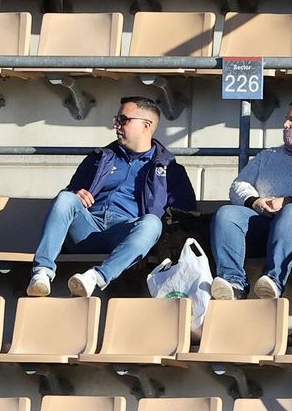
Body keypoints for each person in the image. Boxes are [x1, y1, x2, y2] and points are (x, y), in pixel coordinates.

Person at [28, 96, 195, 298]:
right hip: (87, 229)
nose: (116, 124)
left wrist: (146, 247)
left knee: (152, 223)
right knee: (65, 198)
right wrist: (75, 193)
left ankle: (95, 278)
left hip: (124, 233)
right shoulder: (100, 157)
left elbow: (183, 217)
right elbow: (69, 198)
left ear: (146, 125)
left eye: (123, 119)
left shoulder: (169, 169)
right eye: (117, 119)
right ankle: (42, 273)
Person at [208, 96, 292, 301]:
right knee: (227, 214)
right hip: (263, 222)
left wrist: (287, 201)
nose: (285, 124)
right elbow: (238, 185)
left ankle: (274, 280)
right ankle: (233, 281)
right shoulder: (268, 155)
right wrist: (254, 201)